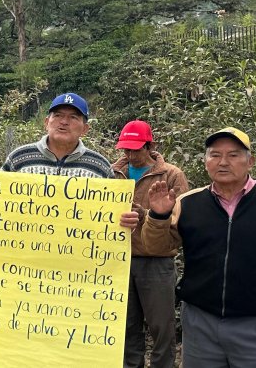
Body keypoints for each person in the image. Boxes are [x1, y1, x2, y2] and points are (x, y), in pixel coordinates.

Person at [143, 127, 256, 367]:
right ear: (206, 161)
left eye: (233, 155)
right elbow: (156, 248)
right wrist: (158, 216)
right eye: (215, 155)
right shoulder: (189, 203)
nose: (223, 162)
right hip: (200, 325)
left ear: (250, 162)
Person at [110, 120, 188, 368]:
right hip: (120, 259)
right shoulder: (113, 172)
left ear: (150, 146)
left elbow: (180, 219)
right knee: (126, 325)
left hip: (157, 261)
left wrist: (147, 215)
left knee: (161, 326)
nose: (130, 155)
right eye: (126, 149)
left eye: (136, 149)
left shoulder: (171, 175)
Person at [0, 93, 112, 178]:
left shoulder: (101, 167)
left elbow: (113, 200)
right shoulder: (18, 159)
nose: (64, 122)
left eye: (73, 117)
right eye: (58, 115)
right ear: (46, 123)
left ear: (84, 129)